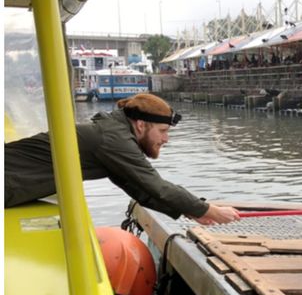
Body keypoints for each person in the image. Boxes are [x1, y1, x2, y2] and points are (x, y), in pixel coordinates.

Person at [4, 94, 240, 225]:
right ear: (140, 124)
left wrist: (193, 212)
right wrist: (209, 209)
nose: (166, 139)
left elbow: (140, 189)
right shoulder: (113, 139)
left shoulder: (113, 133)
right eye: (163, 131)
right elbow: (157, 185)